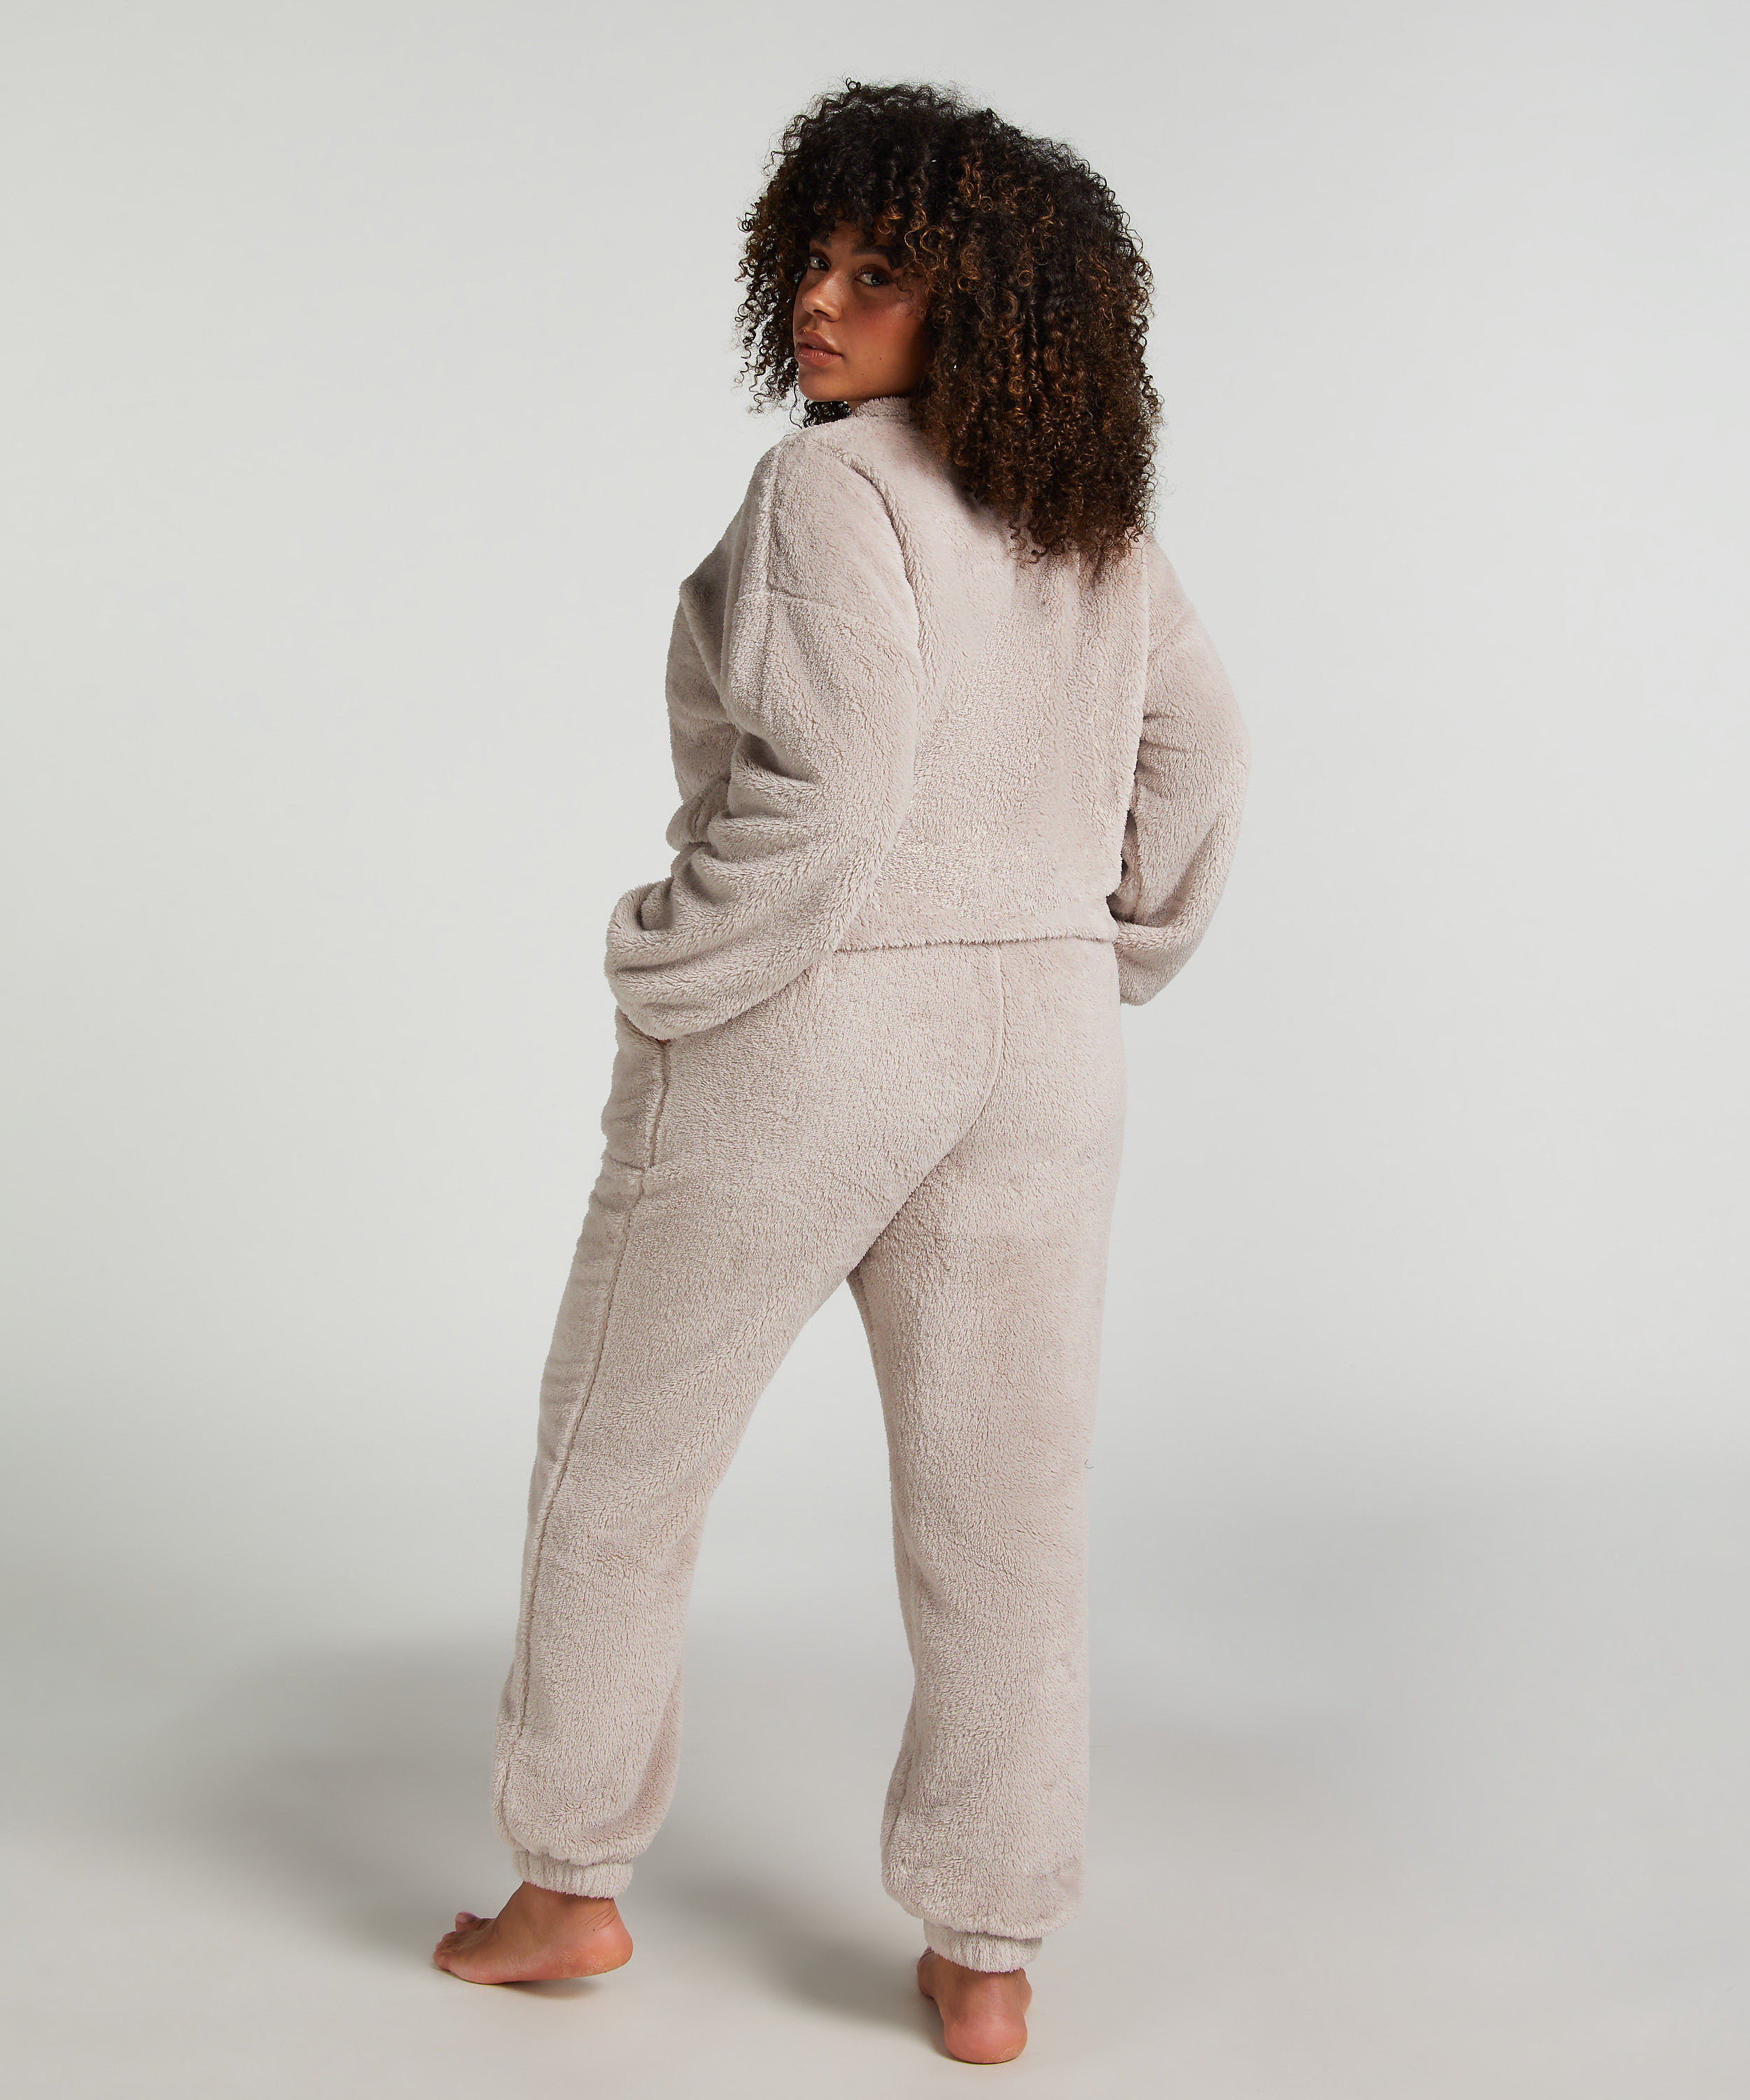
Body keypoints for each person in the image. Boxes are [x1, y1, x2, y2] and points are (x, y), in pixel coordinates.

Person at [433, 80, 1248, 2066]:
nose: (818, 299)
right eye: (810, 260)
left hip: (820, 1023)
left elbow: (834, 794)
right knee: (1003, 1513)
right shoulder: (1091, 521)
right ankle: (988, 1954)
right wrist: (1099, 942)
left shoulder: (831, 491)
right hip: (1043, 1048)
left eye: (877, 272)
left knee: (622, 1459)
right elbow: (1205, 758)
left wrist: (670, 966)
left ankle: (565, 1887)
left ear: (979, 303)